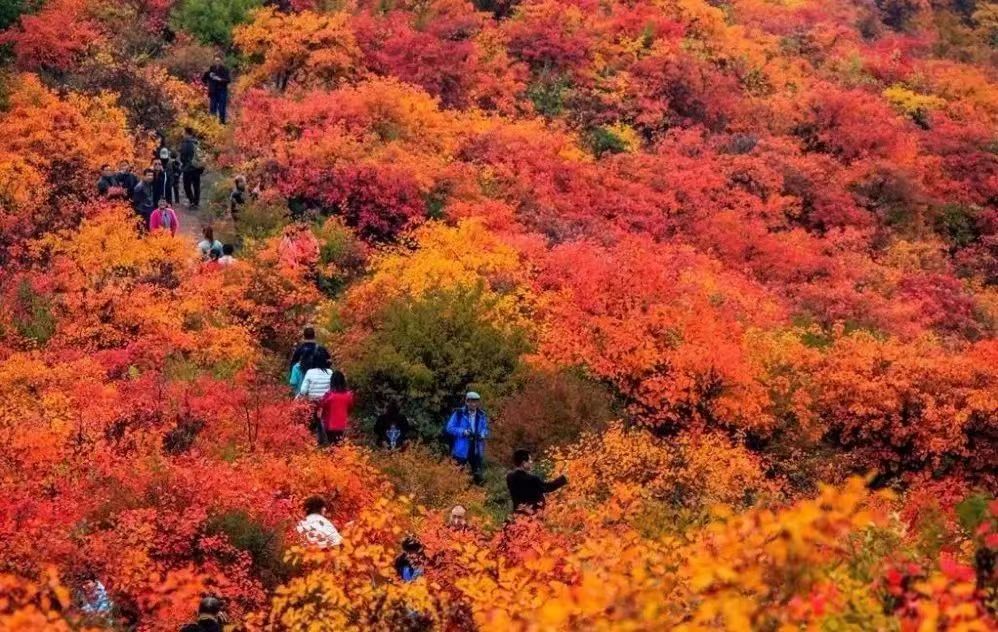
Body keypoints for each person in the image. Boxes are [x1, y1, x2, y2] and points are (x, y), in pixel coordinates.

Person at [445, 392, 489, 482]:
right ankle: (457, 492)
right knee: (456, 474)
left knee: (478, 474)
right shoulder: (459, 413)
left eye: (476, 401)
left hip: (476, 447)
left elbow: (486, 428)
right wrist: (463, 432)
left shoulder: (482, 414)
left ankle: (476, 493)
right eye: (472, 402)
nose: (474, 404)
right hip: (461, 448)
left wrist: (483, 434)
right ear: (467, 402)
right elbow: (449, 428)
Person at [506, 449, 567, 513]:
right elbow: (547, 487)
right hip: (532, 516)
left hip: (517, 515)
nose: (531, 462)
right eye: (529, 460)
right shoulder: (531, 479)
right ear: (524, 463)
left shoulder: (510, 477)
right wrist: (563, 478)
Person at [316, 370, 353, 446]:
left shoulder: (329, 395)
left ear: (332, 382)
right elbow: (350, 408)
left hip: (330, 424)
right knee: (339, 443)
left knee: (332, 443)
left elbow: (323, 406)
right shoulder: (349, 395)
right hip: (343, 424)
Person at [180, 127, 203, 208]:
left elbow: (182, 157)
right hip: (196, 168)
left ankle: (192, 201)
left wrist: (184, 165)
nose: (182, 134)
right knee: (196, 186)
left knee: (187, 186)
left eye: (183, 132)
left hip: (188, 169)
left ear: (187, 133)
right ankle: (196, 203)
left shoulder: (185, 143)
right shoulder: (196, 142)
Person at [203, 56, 231, 124]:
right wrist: (208, 74)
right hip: (213, 92)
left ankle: (222, 123)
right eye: (216, 60)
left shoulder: (225, 69)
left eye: (218, 60)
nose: (217, 62)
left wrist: (219, 79)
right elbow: (204, 80)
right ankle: (212, 124)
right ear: (214, 61)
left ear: (221, 61)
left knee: (222, 108)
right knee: (212, 108)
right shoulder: (211, 69)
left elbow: (228, 80)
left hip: (222, 91)